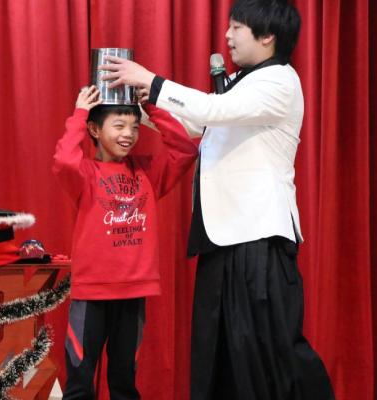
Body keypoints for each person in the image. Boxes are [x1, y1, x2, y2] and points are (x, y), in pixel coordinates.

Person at [99, 1, 335, 399]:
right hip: (221, 238)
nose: (227, 36)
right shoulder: (241, 82)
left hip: (258, 237)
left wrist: (153, 81)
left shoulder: (280, 80)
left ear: (267, 36)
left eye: (237, 27)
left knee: (269, 349)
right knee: (219, 353)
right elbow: (196, 122)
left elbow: (214, 109)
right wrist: (141, 104)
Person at [53, 85, 198, 399]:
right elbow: (65, 161)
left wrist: (153, 109)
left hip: (134, 292)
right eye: (119, 125)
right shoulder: (86, 173)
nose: (128, 134)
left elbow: (185, 150)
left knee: (123, 383)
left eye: (134, 127)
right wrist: (80, 114)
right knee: (79, 384)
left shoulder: (147, 172)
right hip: (92, 293)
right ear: (95, 129)